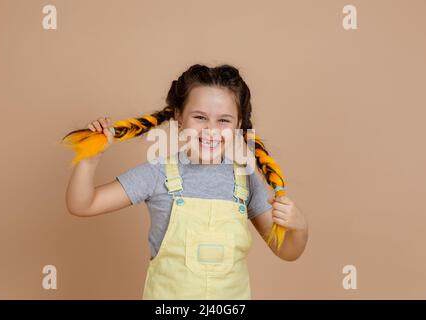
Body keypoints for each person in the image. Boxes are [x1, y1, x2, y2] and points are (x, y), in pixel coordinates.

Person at [63, 64, 308, 299]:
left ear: (239, 123)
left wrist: (299, 226)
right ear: (179, 117)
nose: (211, 130)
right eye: (200, 117)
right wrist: (89, 160)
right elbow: (83, 205)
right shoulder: (157, 173)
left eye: (223, 120)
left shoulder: (245, 179)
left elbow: (287, 251)